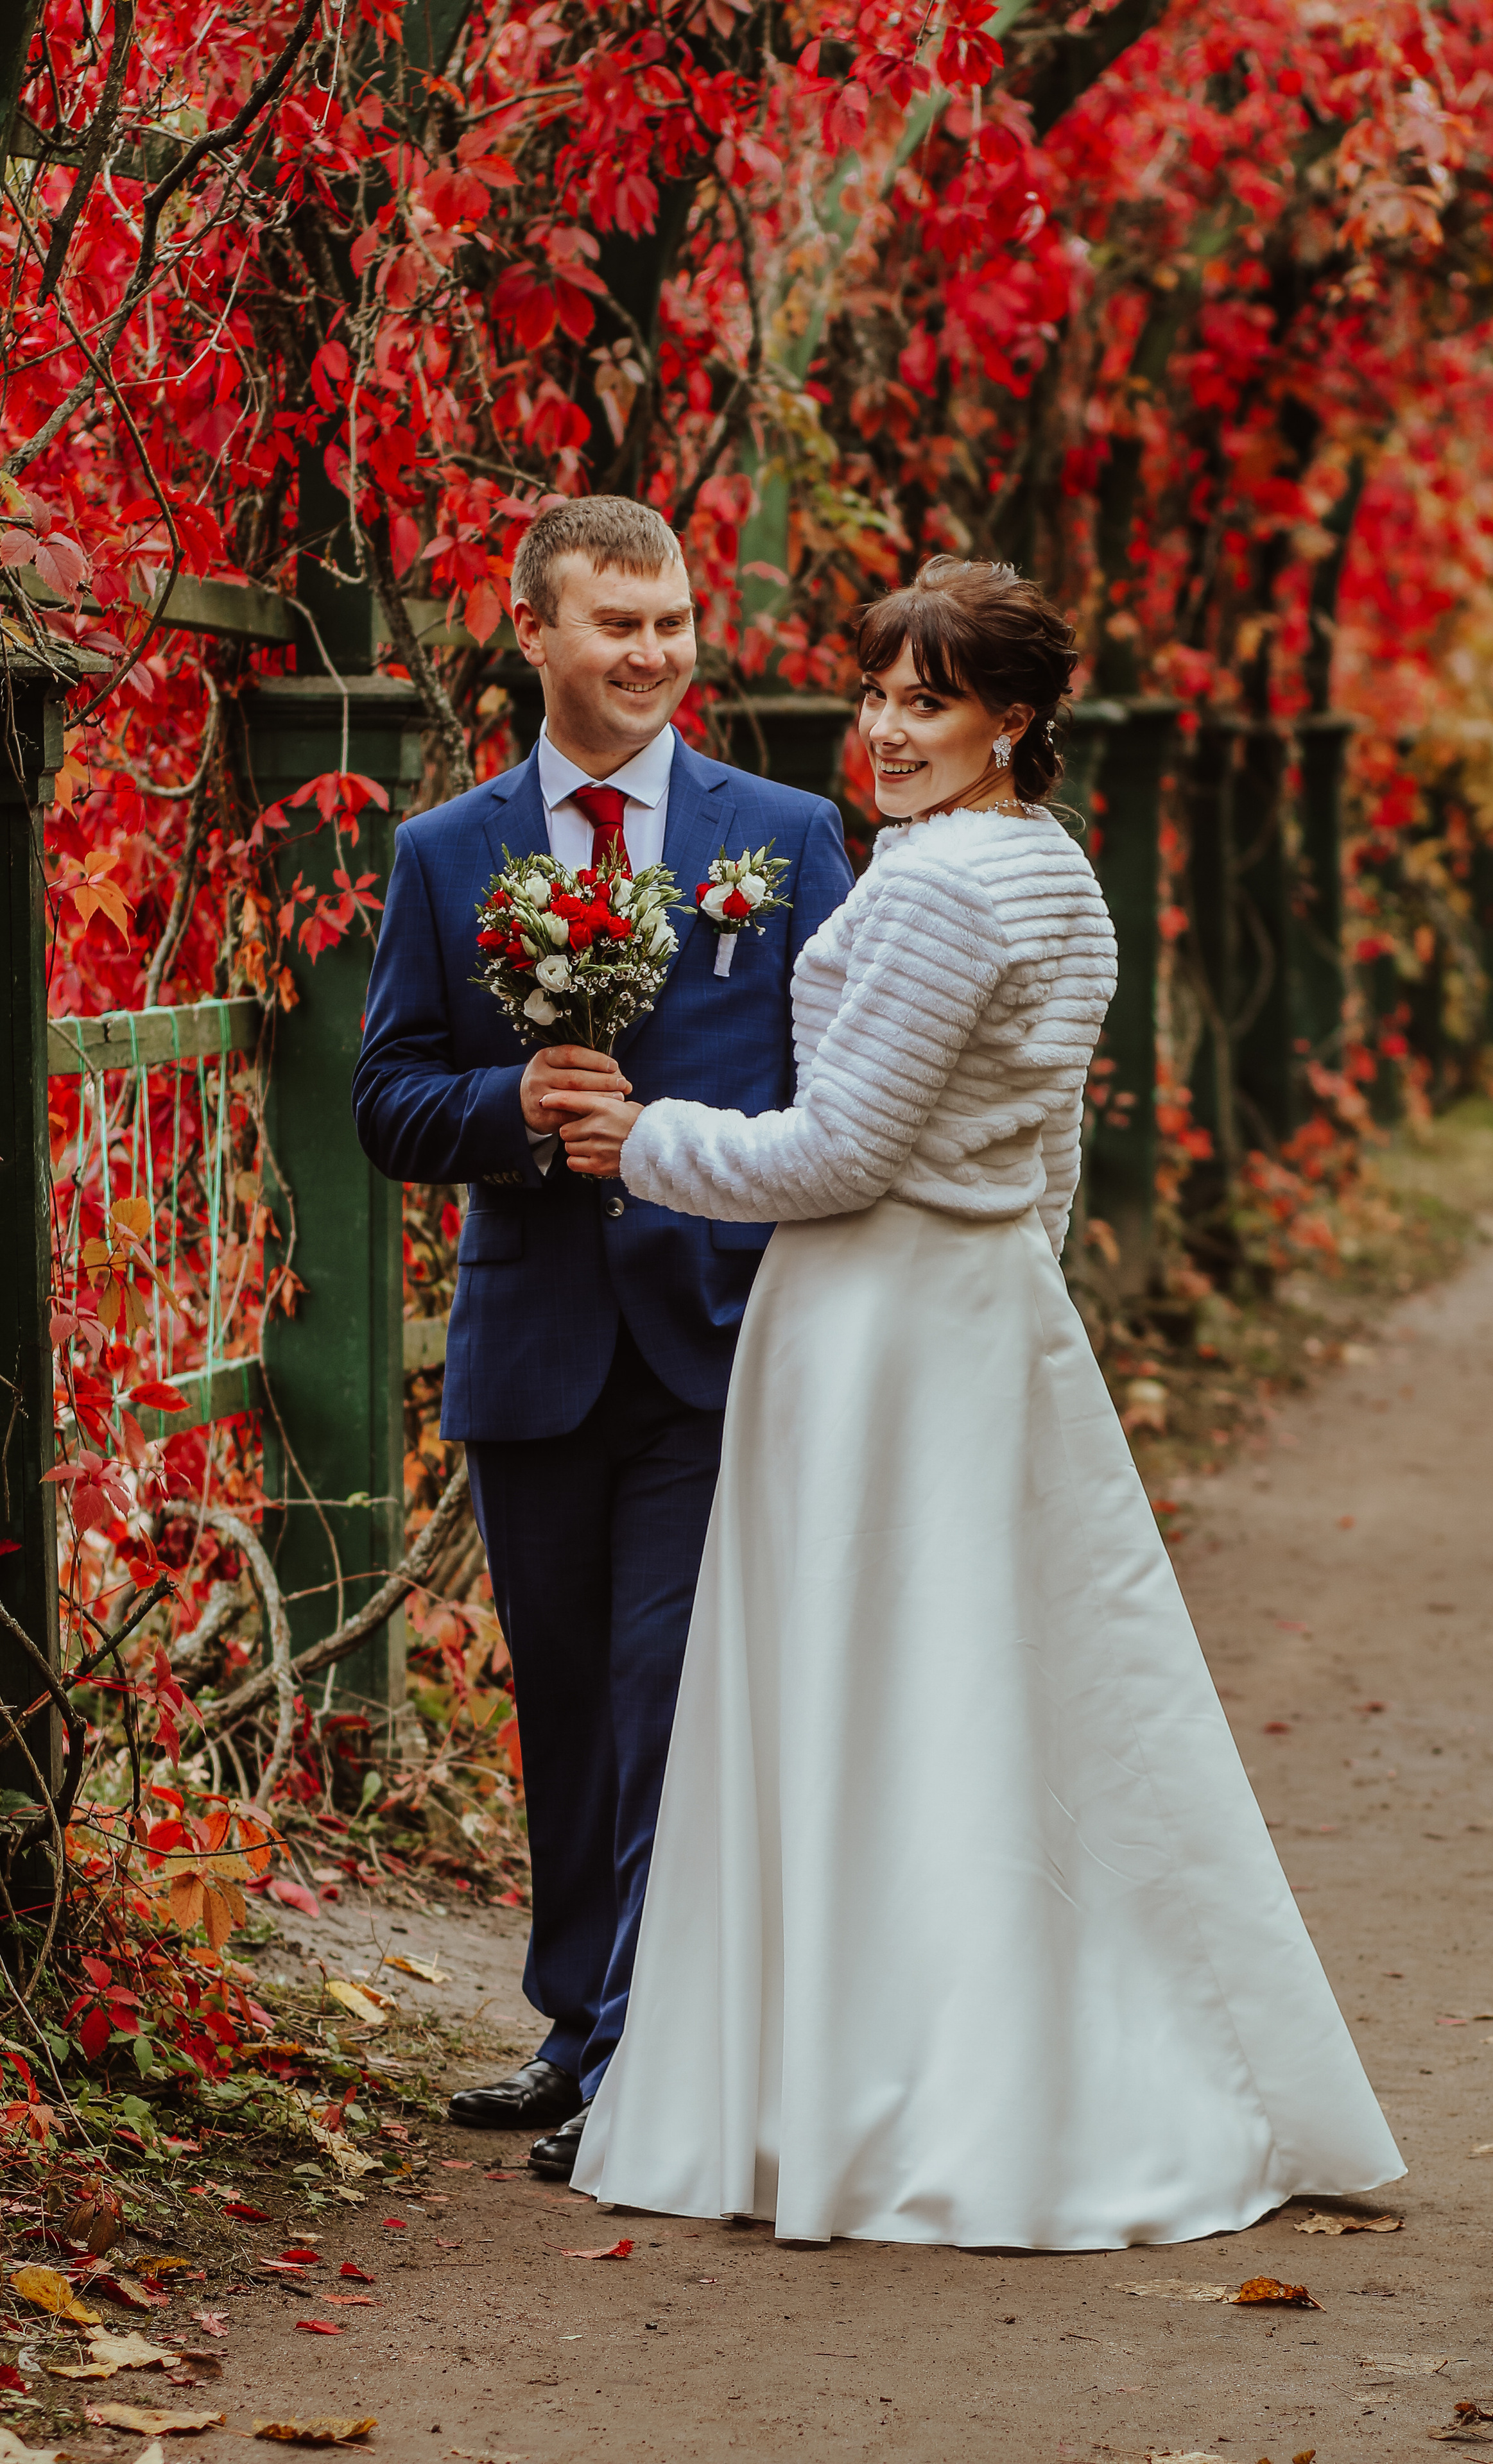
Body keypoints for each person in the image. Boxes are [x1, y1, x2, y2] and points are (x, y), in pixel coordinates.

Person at [551, 556, 1404, 2249]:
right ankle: (1012, 2063)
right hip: (976, 1310)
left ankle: (885, 2097)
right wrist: (1010, 1275)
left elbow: (843, 1150)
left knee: (885, 1697)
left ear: (1015, 718)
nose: (884, 730)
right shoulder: (1055, 871)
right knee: (993, 1699)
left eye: (926, 701)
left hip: (880, 1324)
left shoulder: (946, 889)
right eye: (876, 694)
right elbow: (1054, 1149)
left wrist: (636, 1140)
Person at [352, 497, 854, 2182]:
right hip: (537, 1349)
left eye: (671, 622)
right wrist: (512, 1104)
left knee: (666, 1694)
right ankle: (578, 2028)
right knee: (565, 1699)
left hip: (724, 1340)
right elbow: (387, 1098)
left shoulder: (782, 834)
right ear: (537, 632)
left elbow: (841, 1086)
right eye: (616, 624)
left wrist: (703, 1149)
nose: (652, 653)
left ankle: (653, 2057)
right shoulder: (447, 853)